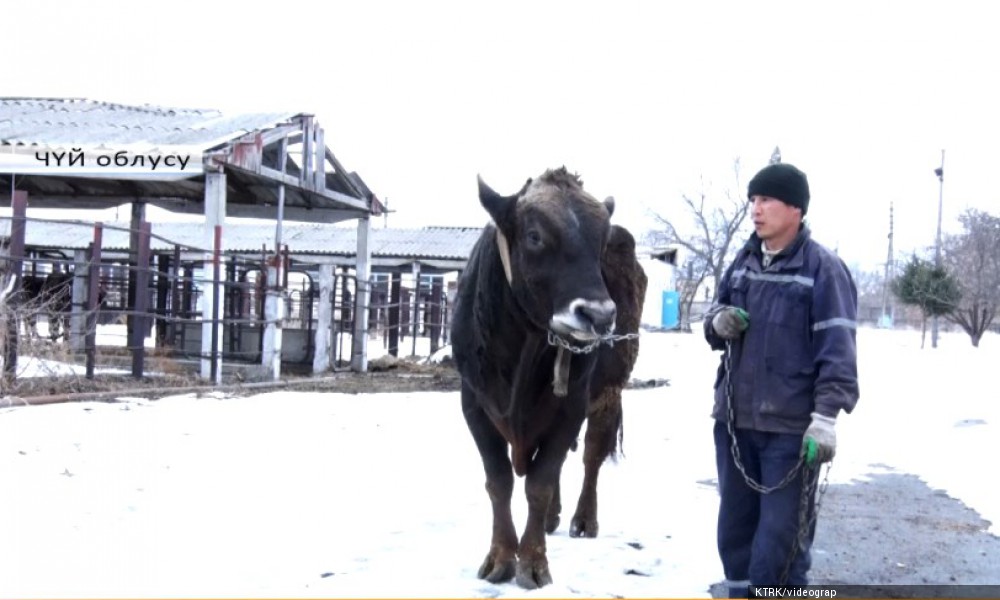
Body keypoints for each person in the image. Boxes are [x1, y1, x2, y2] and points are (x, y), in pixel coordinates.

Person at [704, 162, 860, 594]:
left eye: (766, 199)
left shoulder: (823, 269)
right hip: (735, 424)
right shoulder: (743, 260)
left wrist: (825, 418)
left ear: (795, 208)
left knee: (780, 540)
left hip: (790, 432)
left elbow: (838, 353)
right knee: (734, 531)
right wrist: (718, 322)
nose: (756, 209)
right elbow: (711, 314)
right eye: (753, 200)